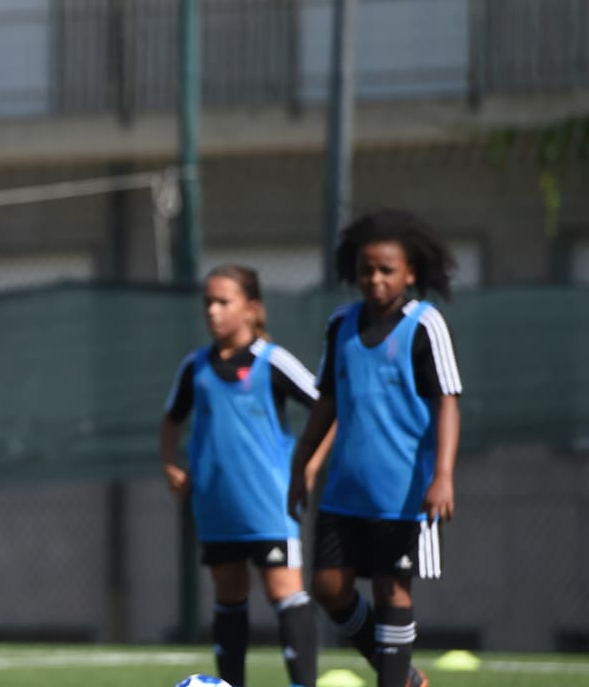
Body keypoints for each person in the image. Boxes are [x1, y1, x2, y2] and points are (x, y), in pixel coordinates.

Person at [288, 210, 462, 687]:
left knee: (392, 590)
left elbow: (447, 402)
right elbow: (327, 399)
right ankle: (403, 675)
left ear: (410, 273)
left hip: (404, 491)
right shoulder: (340, 325)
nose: (375, 279)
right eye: (367, 269)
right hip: (345, 489)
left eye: (387, 270)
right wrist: (301, 461)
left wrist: (443, 474)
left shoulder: (425, 325)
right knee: (328, 587)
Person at [160, 264, 327, 687]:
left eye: (223, 302)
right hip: (216, 505)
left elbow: (330, 407)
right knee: (228, 594)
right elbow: (171, 419)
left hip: (270, 502)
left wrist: (308, 466)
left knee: (285, 591)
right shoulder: (194, 367)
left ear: (252, 308)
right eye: (208, 302)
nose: (213, 311)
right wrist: (172, 465)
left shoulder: (273, 361)